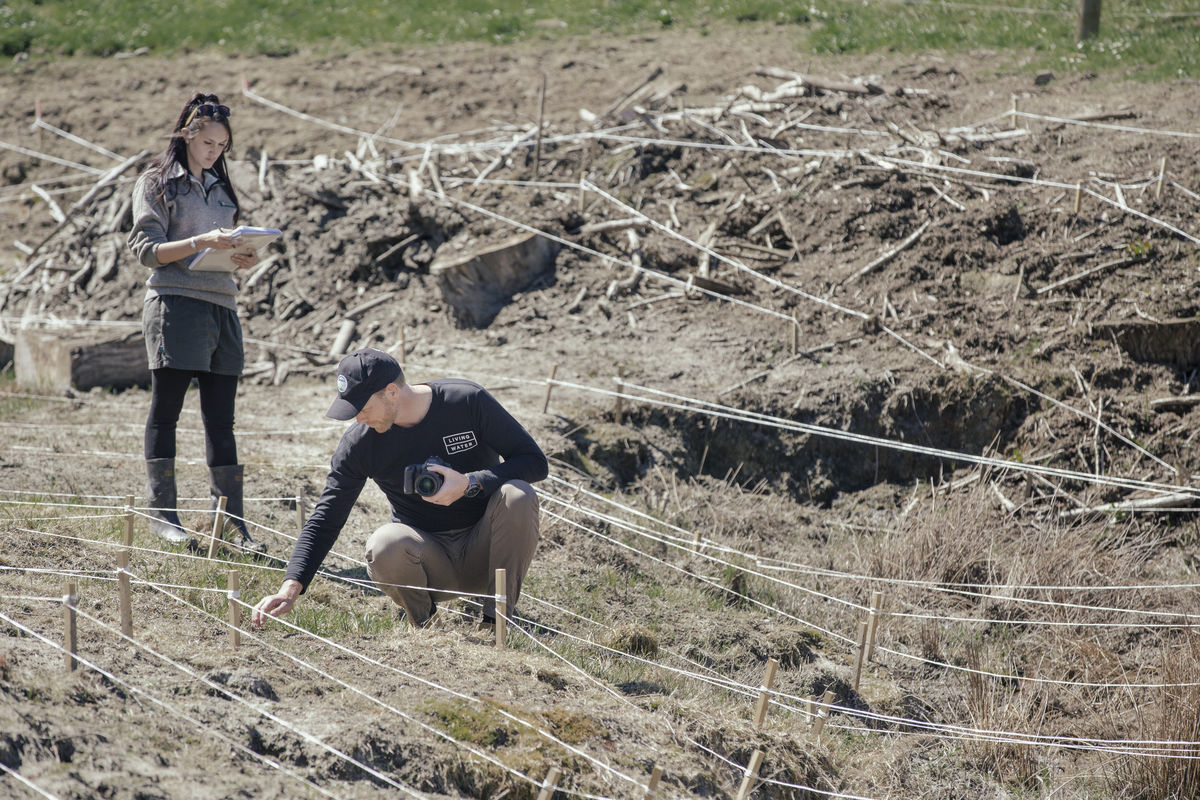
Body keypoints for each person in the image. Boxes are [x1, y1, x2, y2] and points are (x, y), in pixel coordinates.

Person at [252, 348, 547, 630]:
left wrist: (470, 483)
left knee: (518, 495)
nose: (358, 419)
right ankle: (426, 627)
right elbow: (326, 517)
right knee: (384, 544)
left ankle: (496, 622)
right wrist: (290, 587)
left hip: (489, 552)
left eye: (363, 408)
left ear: (391, 392)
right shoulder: (360, 444)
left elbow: (534, 462)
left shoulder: (467, 401)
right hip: (428, 563)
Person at [126, 92, 265, 553]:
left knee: (221, 421)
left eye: (222, 146)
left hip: (222, 306)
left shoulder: (223, 190)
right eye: (208, 142)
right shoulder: (156, 183)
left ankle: (228, 521)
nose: (214, 152)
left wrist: (239, 256)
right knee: (167, 412)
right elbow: (147, 251)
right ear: (186, 134)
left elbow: (218, 251)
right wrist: (200, 240)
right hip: (175, 304)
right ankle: (162, 515)